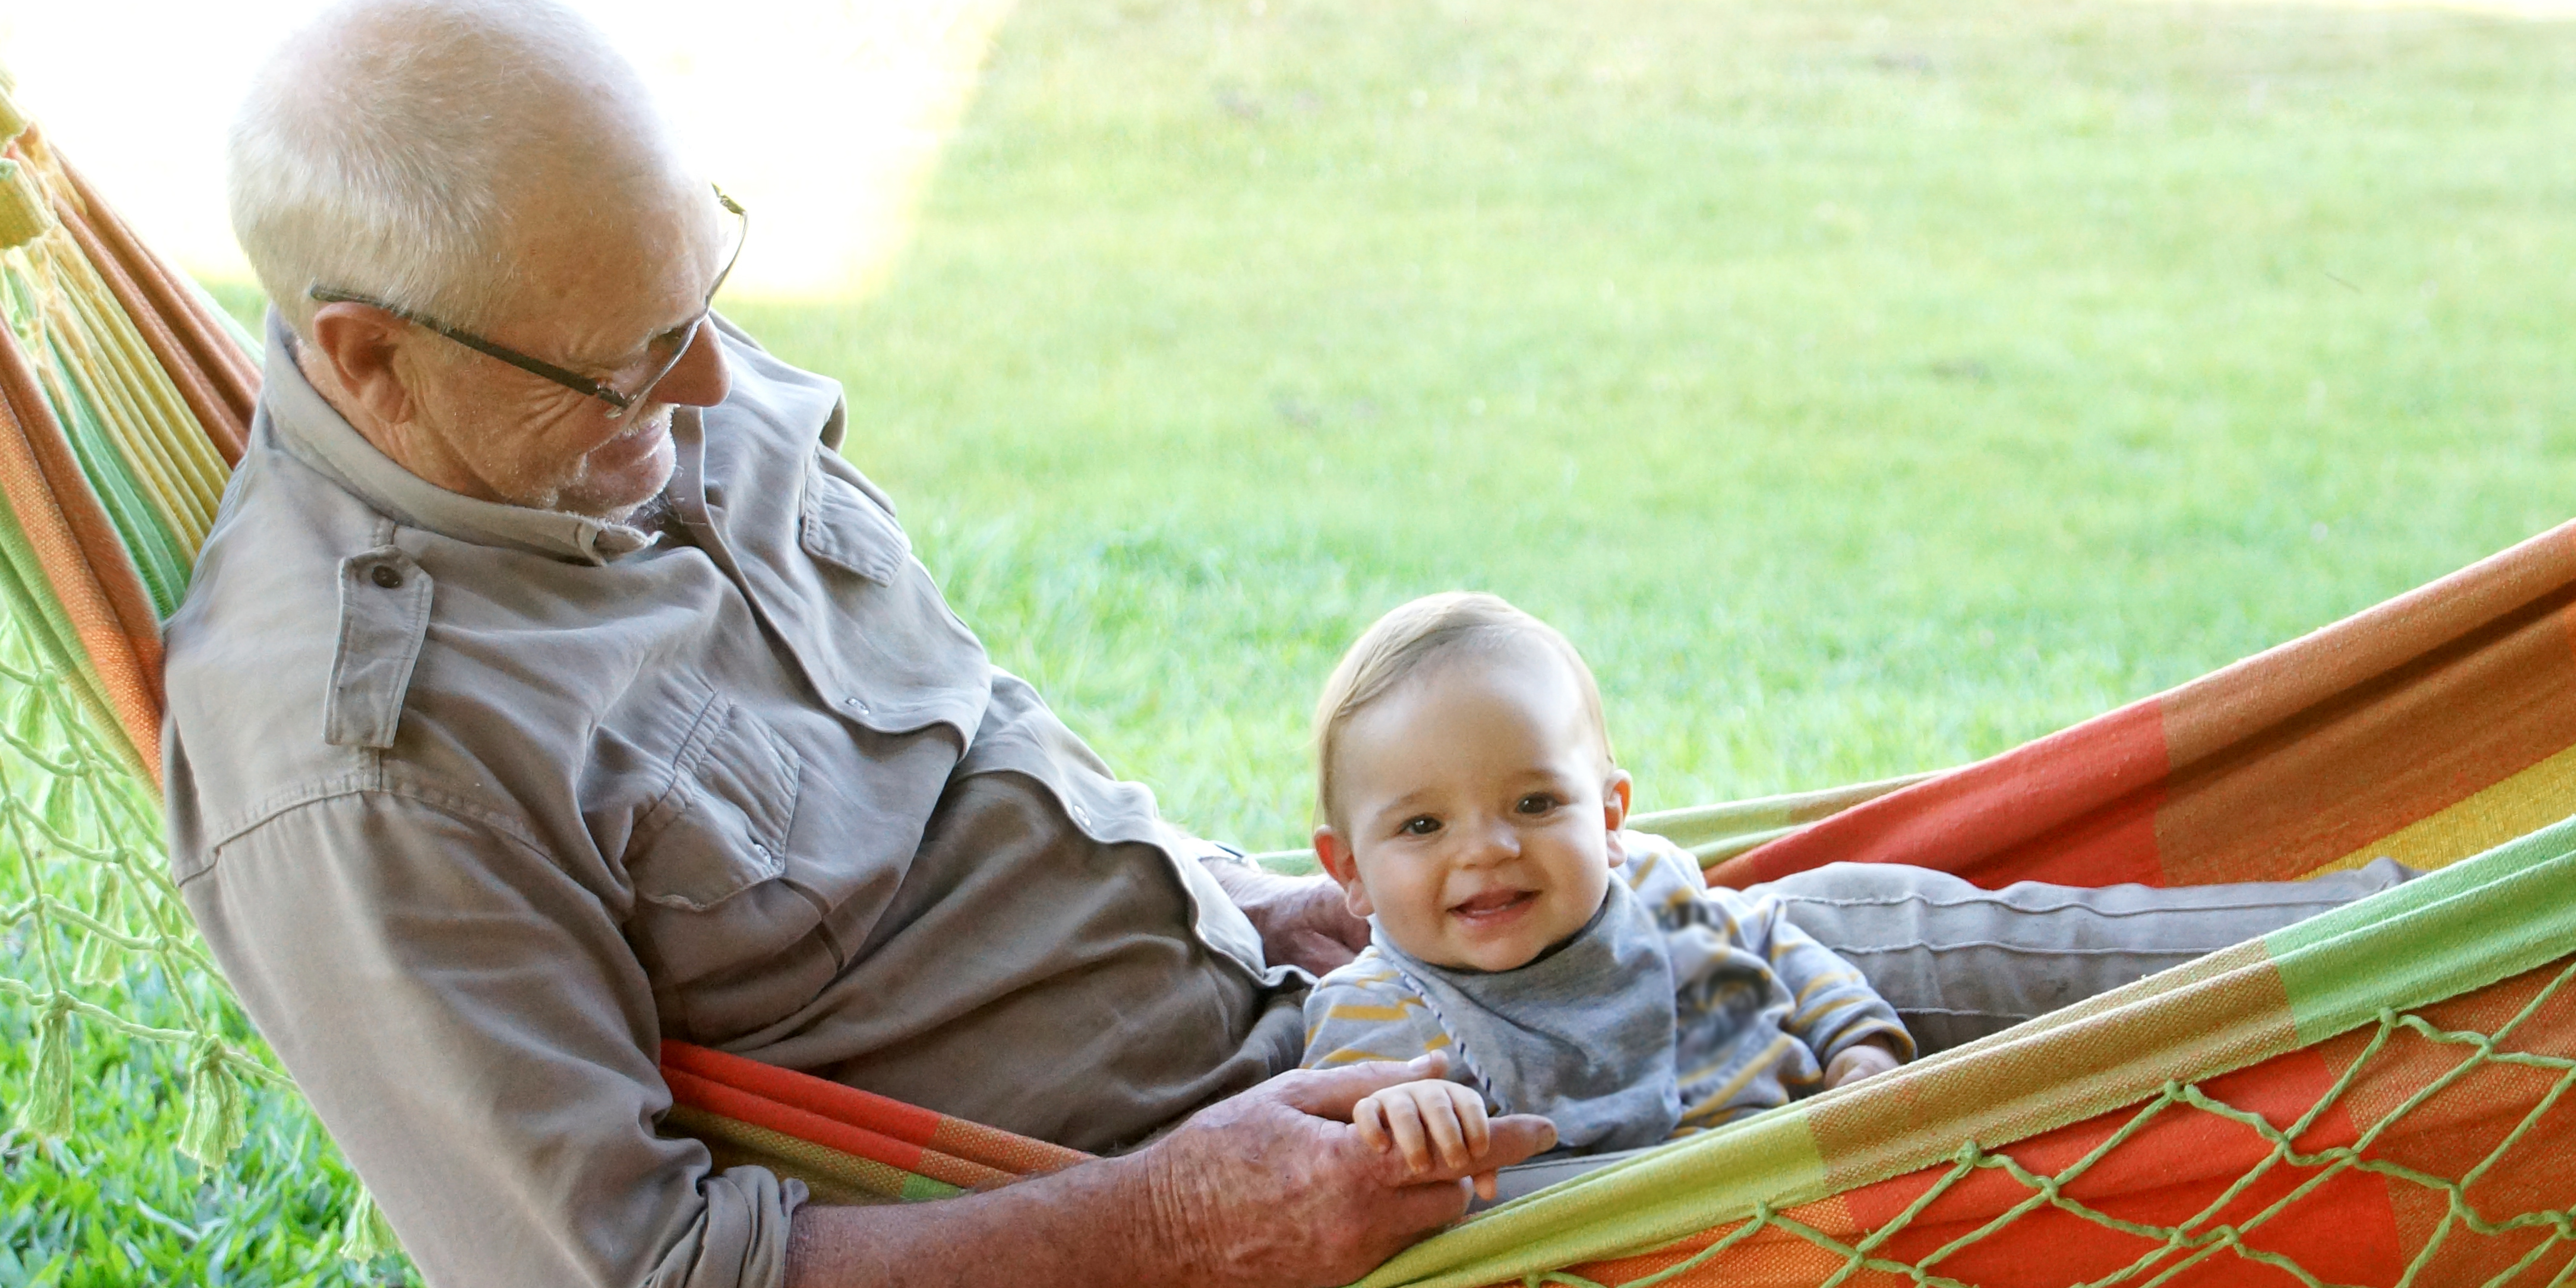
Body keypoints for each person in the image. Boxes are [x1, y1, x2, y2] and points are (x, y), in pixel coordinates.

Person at [165, 3, 2420, 1286]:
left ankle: (2455, 946)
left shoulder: (601, 360)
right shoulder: (362, 771)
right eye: (626, 364)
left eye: (705, 305)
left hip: (1304, 998)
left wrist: (1239, 885)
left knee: (1805, 926)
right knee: (1857, 1169)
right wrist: (1171, 1223)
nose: (703, 399)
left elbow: (940, 774)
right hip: (1241, 1183)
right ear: (366, 361)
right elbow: (646, 1278)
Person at [1303, 594, 1910, 1164]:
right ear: (1350, 870)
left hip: (1818, 1183)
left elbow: (1777, 947)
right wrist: (1396, 1120)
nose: (1486, 851)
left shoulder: (1656, 890)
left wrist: (1858, 1043)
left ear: (1610, 817)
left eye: (1535, 804)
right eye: (1423, 824)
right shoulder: (1373, 1016)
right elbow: (1329, 1162)